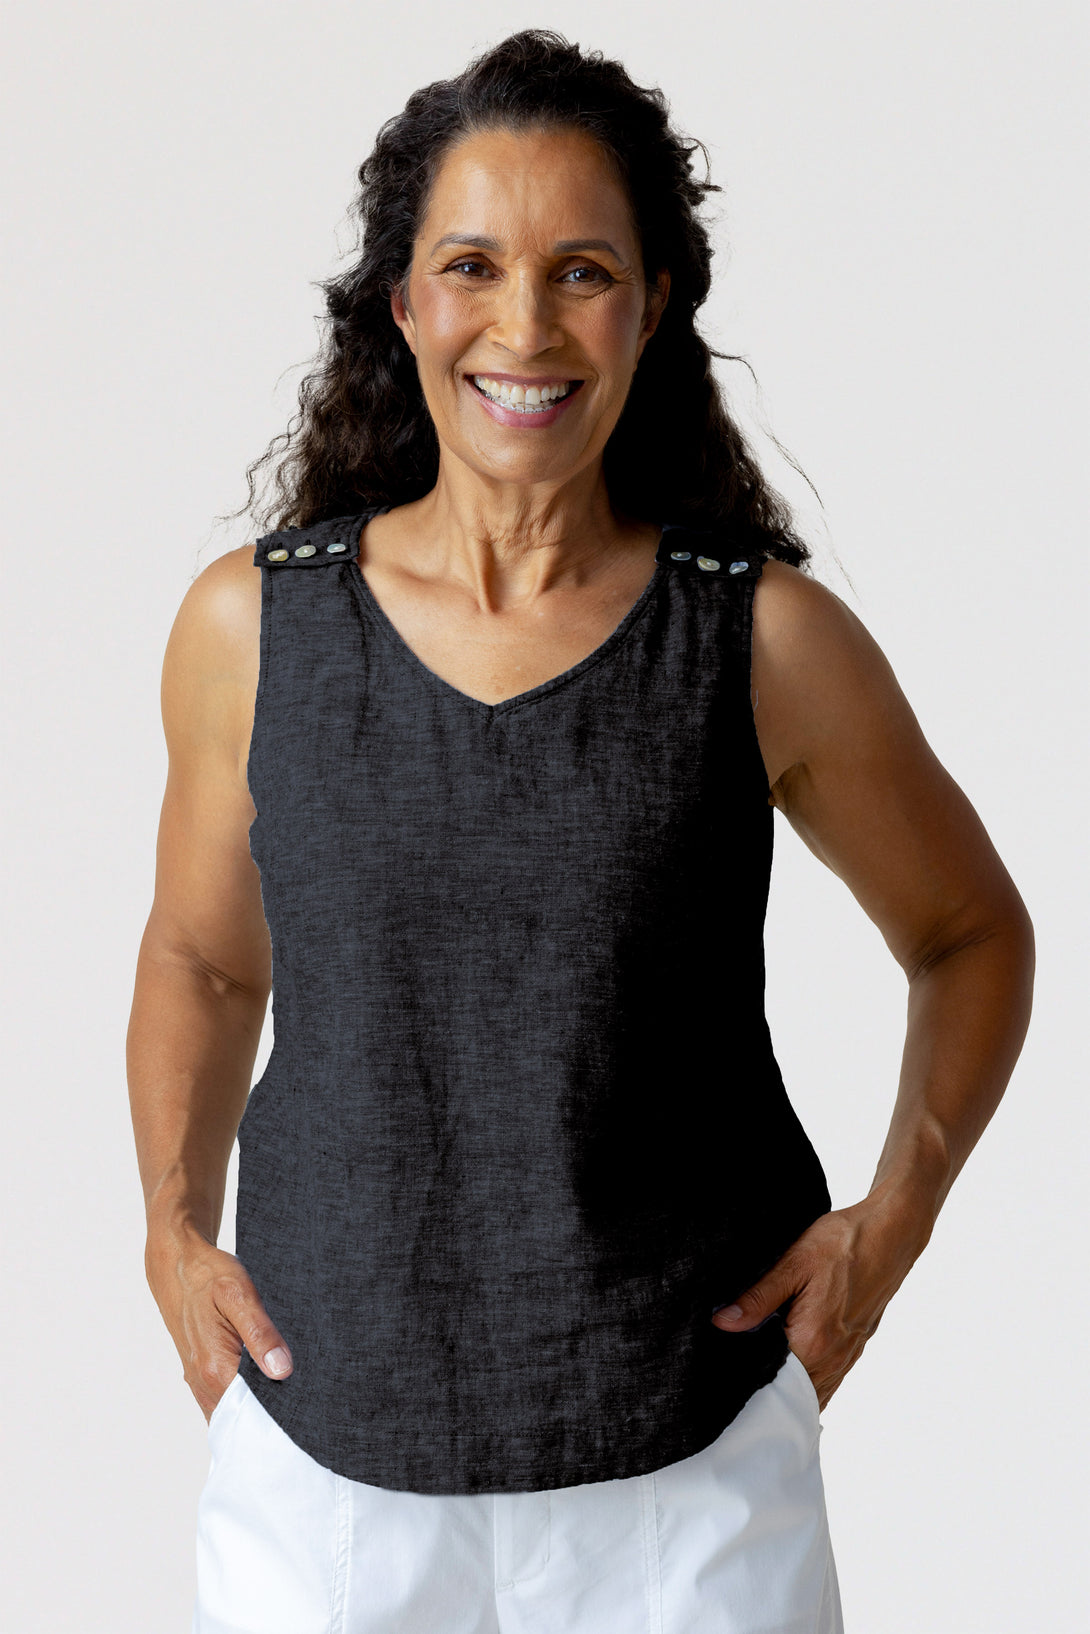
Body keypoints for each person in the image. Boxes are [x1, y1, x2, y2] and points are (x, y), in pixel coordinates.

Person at [127, 28, 1035, 1634]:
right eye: (471, 266)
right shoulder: (251, 630)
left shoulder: (758, 642)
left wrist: (887, 1228)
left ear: (652, 304)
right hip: (323, 1461)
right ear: (402, 304)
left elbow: (968, 933)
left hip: (688, 1468)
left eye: (583, 272)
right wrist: (172, 1229)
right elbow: (202, 958)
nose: (525, 325)